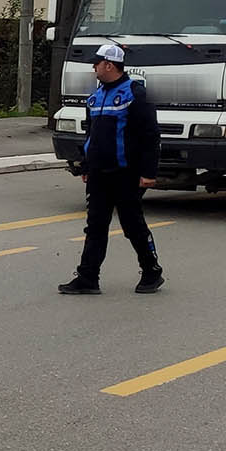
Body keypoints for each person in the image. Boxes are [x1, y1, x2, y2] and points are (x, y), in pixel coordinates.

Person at [60, 41, 165, 296]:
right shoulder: (95, 96)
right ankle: (88, 277)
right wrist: (86, 165)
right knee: (95, 226)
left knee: (132, 225)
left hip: (125, 173)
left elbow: (151, 136)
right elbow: (91, 136)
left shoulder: (134, 94)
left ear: (109, 65)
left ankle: (152, 271)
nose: (94, 67)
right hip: (98, 174)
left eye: (96, 63)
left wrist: (149, 173)